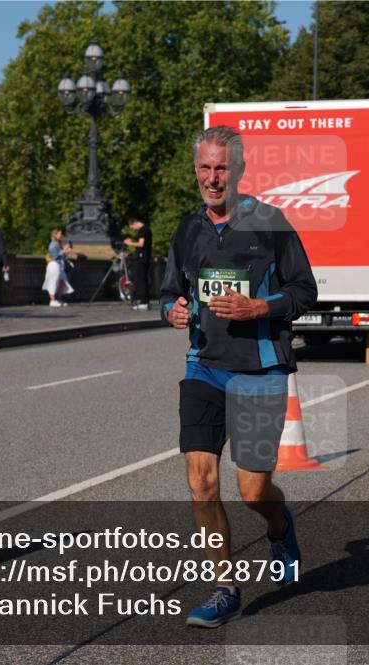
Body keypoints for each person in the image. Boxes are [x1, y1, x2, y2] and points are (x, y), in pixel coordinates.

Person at [160, 125, 317, 628]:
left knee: (253, 491)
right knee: (201, 481)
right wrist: (173, 310)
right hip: (204, 366)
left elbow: (305, 291)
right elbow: (168, 291)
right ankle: (224, 588)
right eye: (204, 167)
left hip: (260, 370)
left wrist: (259, 307)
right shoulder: (187, 229)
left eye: (221, 168)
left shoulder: (270, 223)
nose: (212, 177)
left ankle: (279, 526)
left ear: (241, 170)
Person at [123, 218, 152, 310]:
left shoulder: (142, 230)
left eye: (132, 227)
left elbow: (141, 244)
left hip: (141, 258)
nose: (133, 229)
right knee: (142, 279)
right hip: (145, 257)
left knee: (140, 279)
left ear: (134, 223)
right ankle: (144, 301)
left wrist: (130, 243)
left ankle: (143, 302)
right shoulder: (147, 229)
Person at [42, 228, 73, 307]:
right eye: (59, 234)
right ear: (55, 235)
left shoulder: (57, 244)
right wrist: (64, 251)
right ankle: (52, 300)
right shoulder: (53, 244)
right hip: (54, 265)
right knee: (53, 281)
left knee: (62, 282)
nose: (61, 235)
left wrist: (65, 250)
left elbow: (61, 255)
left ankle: (59, 299)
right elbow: (55, 256)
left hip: (59, 266)